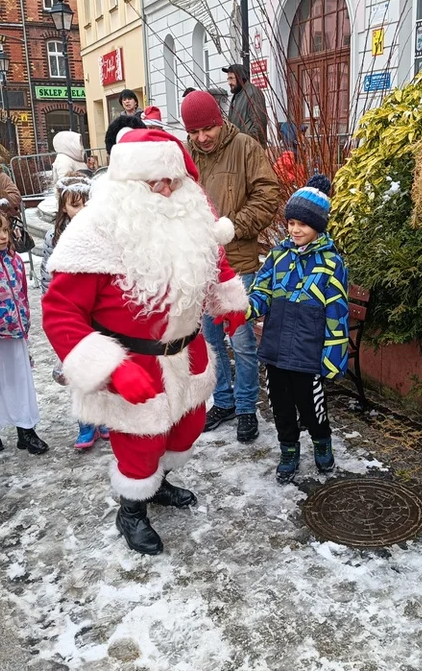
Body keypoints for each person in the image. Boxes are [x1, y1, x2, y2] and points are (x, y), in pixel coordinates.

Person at [42, 128, 247, 555]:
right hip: (135, 360)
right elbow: (61, 312)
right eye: (151, 180)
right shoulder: (97, 230)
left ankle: (159, 484)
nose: (163, 188)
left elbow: (211, 261)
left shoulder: (190, 215)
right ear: (126, 183)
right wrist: (110, 368)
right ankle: (131, 508)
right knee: (141, 444)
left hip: (187, 354)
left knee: (185, 428)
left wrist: (227, 302)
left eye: (170, 178)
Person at [181, 89, 282, 444]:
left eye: (207, 129)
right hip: (200, 267)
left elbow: (269, 192)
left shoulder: (245, 147)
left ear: (219, 121)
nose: (201, 138)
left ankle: (245, 408)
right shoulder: (186, 154)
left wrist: (234, 226)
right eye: (194, 132)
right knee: (210, 341)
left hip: (237, 264)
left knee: (241, 341)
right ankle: (222, 400)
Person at [246, 175, 349, 483]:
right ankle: (288, 449)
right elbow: (261, 291)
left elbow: (337, 313)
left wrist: (332, 358)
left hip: (307, 352)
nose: (294, 229)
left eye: (302, 224)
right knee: (280, 407)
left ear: (318, 225)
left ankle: (321, 443)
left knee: (311, 407)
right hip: (275, 349)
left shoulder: (332, 263)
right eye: (290, 222)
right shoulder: (279, 256)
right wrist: (244, 308)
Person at [40, 173, 110, 451]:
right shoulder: (55, 236)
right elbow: (48, 274)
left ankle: (105, 416)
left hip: (96, 312)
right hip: (71, 313)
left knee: (102, 365)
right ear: (63, 207)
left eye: (84, 204)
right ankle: (85, 422)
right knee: (79, 369)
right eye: (73, 204)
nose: (79, 210)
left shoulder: (100, 232)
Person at [0, 207, 48, 456]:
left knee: (20, 380)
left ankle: (25, 428)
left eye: (5, 230)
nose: (3, 236)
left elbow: (22, 294)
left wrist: (24, 324)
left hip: (14, 331)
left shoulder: (14, 259)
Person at [223, 64, 268, 146]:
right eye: (228, 79)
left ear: (240, 77)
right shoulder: (237, 94)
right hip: (240, 146)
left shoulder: (252, 93)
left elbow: (259, 126)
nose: (229, 82)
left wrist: (246, 145)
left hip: (250, 148)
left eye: (231, 78)